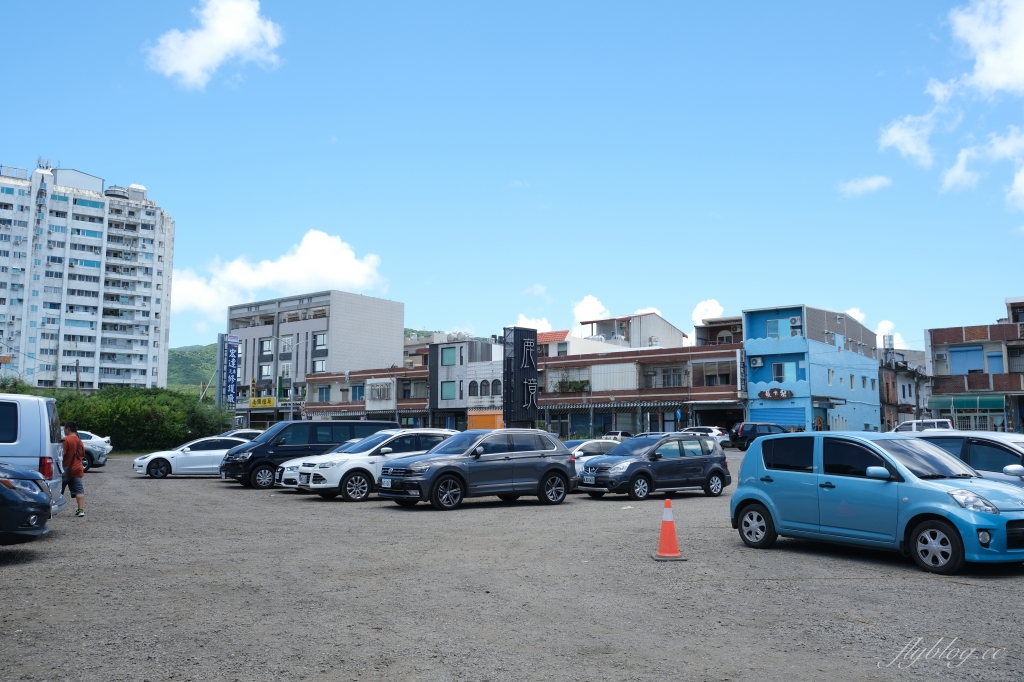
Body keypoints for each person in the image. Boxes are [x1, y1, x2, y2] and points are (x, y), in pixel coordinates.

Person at [62, 421, 86, 517]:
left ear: (68, 429)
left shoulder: (66, 440)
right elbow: (82, 454)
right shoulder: (80, 441)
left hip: (66, 470)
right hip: (77, 469)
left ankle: (51, 510)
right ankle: (80, 510)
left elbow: (62, 454)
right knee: (79, 491)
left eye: (64, 429)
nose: (64, 431)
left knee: (58, 490)